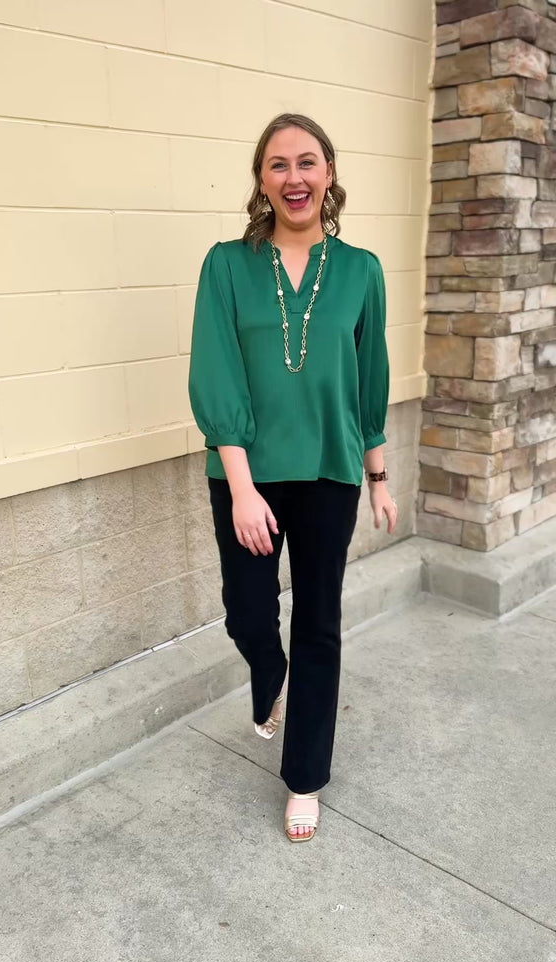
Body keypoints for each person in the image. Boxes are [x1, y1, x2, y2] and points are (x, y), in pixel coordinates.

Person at [188, 112, 397, 843]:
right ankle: (270, 676)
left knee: (319, 621)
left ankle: (304, 777)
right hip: (246, 471)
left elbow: (370, 377)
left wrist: (378, 475)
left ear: (329, 174)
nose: (294, 177)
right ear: (262, 180)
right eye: (278, 164)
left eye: (307, 162)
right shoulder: (227, 265)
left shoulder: (362, 270)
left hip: (331, 472)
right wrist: (242, 487)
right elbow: (216, 372)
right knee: (248, 614)